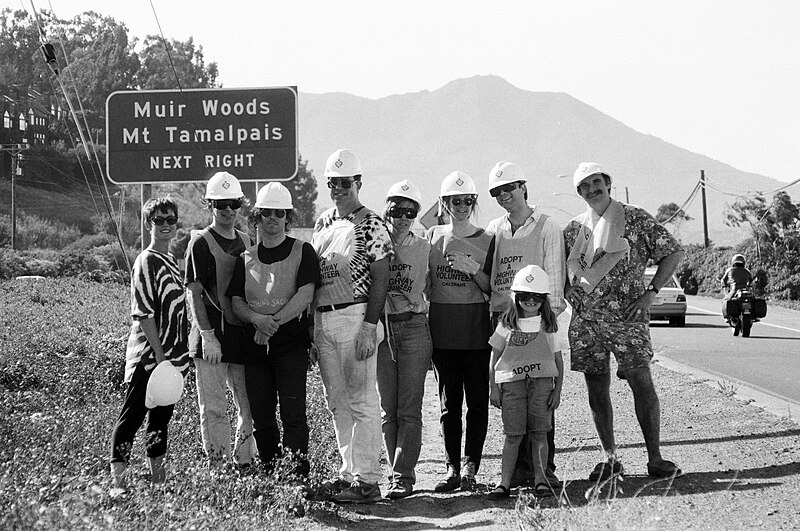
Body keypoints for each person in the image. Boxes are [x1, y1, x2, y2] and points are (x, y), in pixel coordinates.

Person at [563, 162, 685, 481]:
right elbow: (557, 267)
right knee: (596, 389)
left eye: (596, 182)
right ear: (578, 192)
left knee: (641, 382)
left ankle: (655, 458)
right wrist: (565, 289)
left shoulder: (636, 218)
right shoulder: (575, 229)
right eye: (584, 186)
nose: (592, 190)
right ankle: (610, 458)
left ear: (608, 183)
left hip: (627, 319)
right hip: (587, 322)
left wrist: (652, 292)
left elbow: (673, 252)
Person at [310, 149, 393, 504]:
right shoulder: (323, 222)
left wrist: (369, 326)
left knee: (361, 398)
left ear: (358, 183)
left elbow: (381, 276)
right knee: (336, 400)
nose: (339, 189)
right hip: (324, 316)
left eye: (345, 183)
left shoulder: (371, 222)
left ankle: (369, 479)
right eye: (333, 183)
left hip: (357, 315)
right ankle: (348, 474)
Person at [480, 160, 567, 488]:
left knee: (542, 397)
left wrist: (545, 325)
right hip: (503, 321)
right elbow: (490, 279)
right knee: (513, 395)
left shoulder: (547, 226)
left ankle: (544, 472)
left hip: (539, 323)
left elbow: (555, 283)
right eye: (497, 192)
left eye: (509, 188)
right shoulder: (494, 229)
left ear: (523, 186)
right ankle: (517, 473)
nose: (504, 195)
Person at [228, 182, 320, 475]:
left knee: (293, 414)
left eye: (279, 213)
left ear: (287, 217)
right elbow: (236, 302)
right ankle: (269, 473)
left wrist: (271, 323)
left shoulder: (303, 251)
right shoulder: (245, 257)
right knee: (262, 417)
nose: (273, 218)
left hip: (290, 345)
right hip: (254, 349)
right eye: (267, 212)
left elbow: (305, 294)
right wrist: (257, 320)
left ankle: (296, 477)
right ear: (258, 215)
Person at [110, 197, 190, 487]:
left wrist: (177, 356)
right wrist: (159, 355)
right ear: (148, 224)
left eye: (170, 220)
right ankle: (119, 484)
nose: (166, 225)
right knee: (132, 417)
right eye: (159, 220)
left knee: (160, 420)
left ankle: (158, 480)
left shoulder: (172, 261)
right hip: (149, 354)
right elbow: (143, 313)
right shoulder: (146, 260)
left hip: (172, 358)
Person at [185, 171, 258, 468]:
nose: (228, 210)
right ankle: (218, 467)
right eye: (221, 204)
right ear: (210, 205)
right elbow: (194, 293)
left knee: (248, 404)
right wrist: (207, 336)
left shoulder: (247, 241)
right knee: (214, 407)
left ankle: (244, 461)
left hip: (241, 338)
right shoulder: (200, 243)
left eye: (233, 204)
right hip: (212, 338)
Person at [427, 171, 493, 493]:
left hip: (477, 333)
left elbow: (493, 287)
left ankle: (471, 466)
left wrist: (475, 270)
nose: (462, 206)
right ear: (444, 203)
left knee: (477, 403)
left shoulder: (487, 239)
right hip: (443, 333)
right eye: (456, 201)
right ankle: (452, 467)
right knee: (448, 405)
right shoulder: (433, 237)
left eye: (468, 200)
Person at [487, 265, 564, 500]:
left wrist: (557, 391)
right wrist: (493, 388)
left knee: (540, 433)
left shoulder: (549, 326)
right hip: (512, 385)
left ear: (543, 300)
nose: (530, 302)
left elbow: (558, 361)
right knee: (513, 435)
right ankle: (504, 484)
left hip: (541, 385)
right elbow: (494, 357)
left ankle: (541, 481)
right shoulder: (507, 324)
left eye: (536, 298)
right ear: (516, 297)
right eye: (524, 297)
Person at [376, 179, 432, 499]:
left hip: (413, 328)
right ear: (388, 209)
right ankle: (394, 471)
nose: (403, 217)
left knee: (409, 408)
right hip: (383, 329)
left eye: (411, 212)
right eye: (398, 210)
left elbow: (435, 291)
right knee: (389, 409)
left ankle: (402, 476)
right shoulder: (374, 244)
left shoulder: (424, 247)